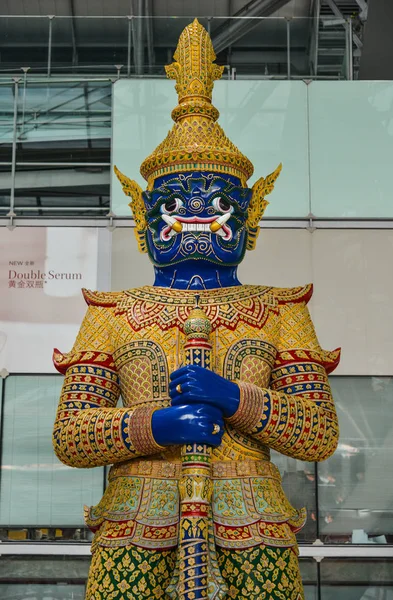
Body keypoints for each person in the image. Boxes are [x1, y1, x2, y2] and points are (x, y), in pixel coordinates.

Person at [53, 19, 340, 600]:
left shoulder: (278, 310)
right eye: (176, 203)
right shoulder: (115, 311)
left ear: (248, 215)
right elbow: (72, 435)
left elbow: (318, 433)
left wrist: (235, 398)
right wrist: (153, 425)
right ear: (145, 217)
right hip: (136, 525)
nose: (196, 216)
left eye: (216, 203)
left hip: (253, 522)